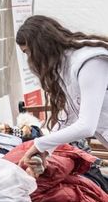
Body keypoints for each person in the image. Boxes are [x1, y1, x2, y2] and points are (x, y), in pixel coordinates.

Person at [15, 15, 108, 169]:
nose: (30, 60)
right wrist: (46, 149)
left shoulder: (89, 63)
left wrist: (40, 144)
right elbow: (69, 117)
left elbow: (86, 126)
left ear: (40, 46)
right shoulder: (66, 65)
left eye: (28, 52)